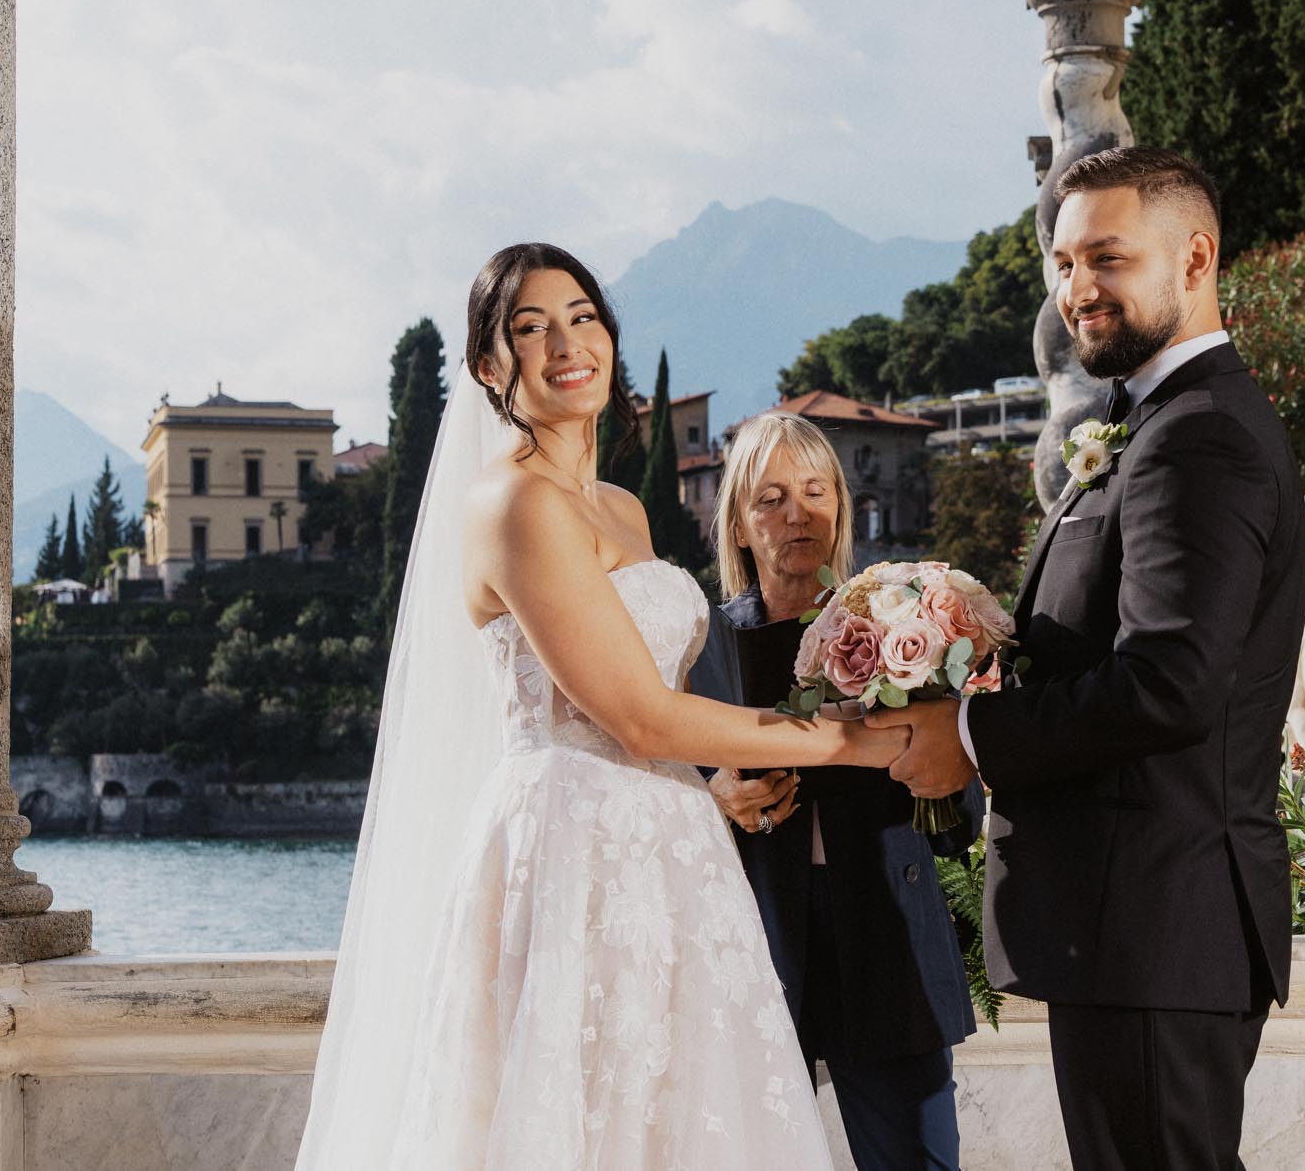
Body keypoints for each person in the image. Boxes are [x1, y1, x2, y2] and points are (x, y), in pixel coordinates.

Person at [296, 243, 909, 1170]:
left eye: (582, 316)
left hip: (672, 851)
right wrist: (859, 742)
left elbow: (643, 712)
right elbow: (642, 718)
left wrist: (709, 791)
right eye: (531, 327)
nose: (566, 342)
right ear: (491, 367)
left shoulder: (622, 507)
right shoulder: (515, 503)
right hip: (573, 852)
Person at [875, 147, 1304, 1170]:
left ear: (1194, 257)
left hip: (1155, 926)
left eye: (1105, 258)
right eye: (1062, 264)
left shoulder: (1195, 438)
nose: (1076, 290)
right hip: (1141, 935)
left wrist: (971, 734)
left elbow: (1167, 684)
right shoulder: (1156, 425)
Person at [689, 412, 981, 1171]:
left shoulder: (901, 620)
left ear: (842, 509)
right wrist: (715, 797)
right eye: (772, 497)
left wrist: (940, 727)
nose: (798, 513)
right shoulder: (701, 648)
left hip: (888, 944)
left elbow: (960, 822)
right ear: (740, 526)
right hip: (754, 950)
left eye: (817, 491)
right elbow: (656, 799)